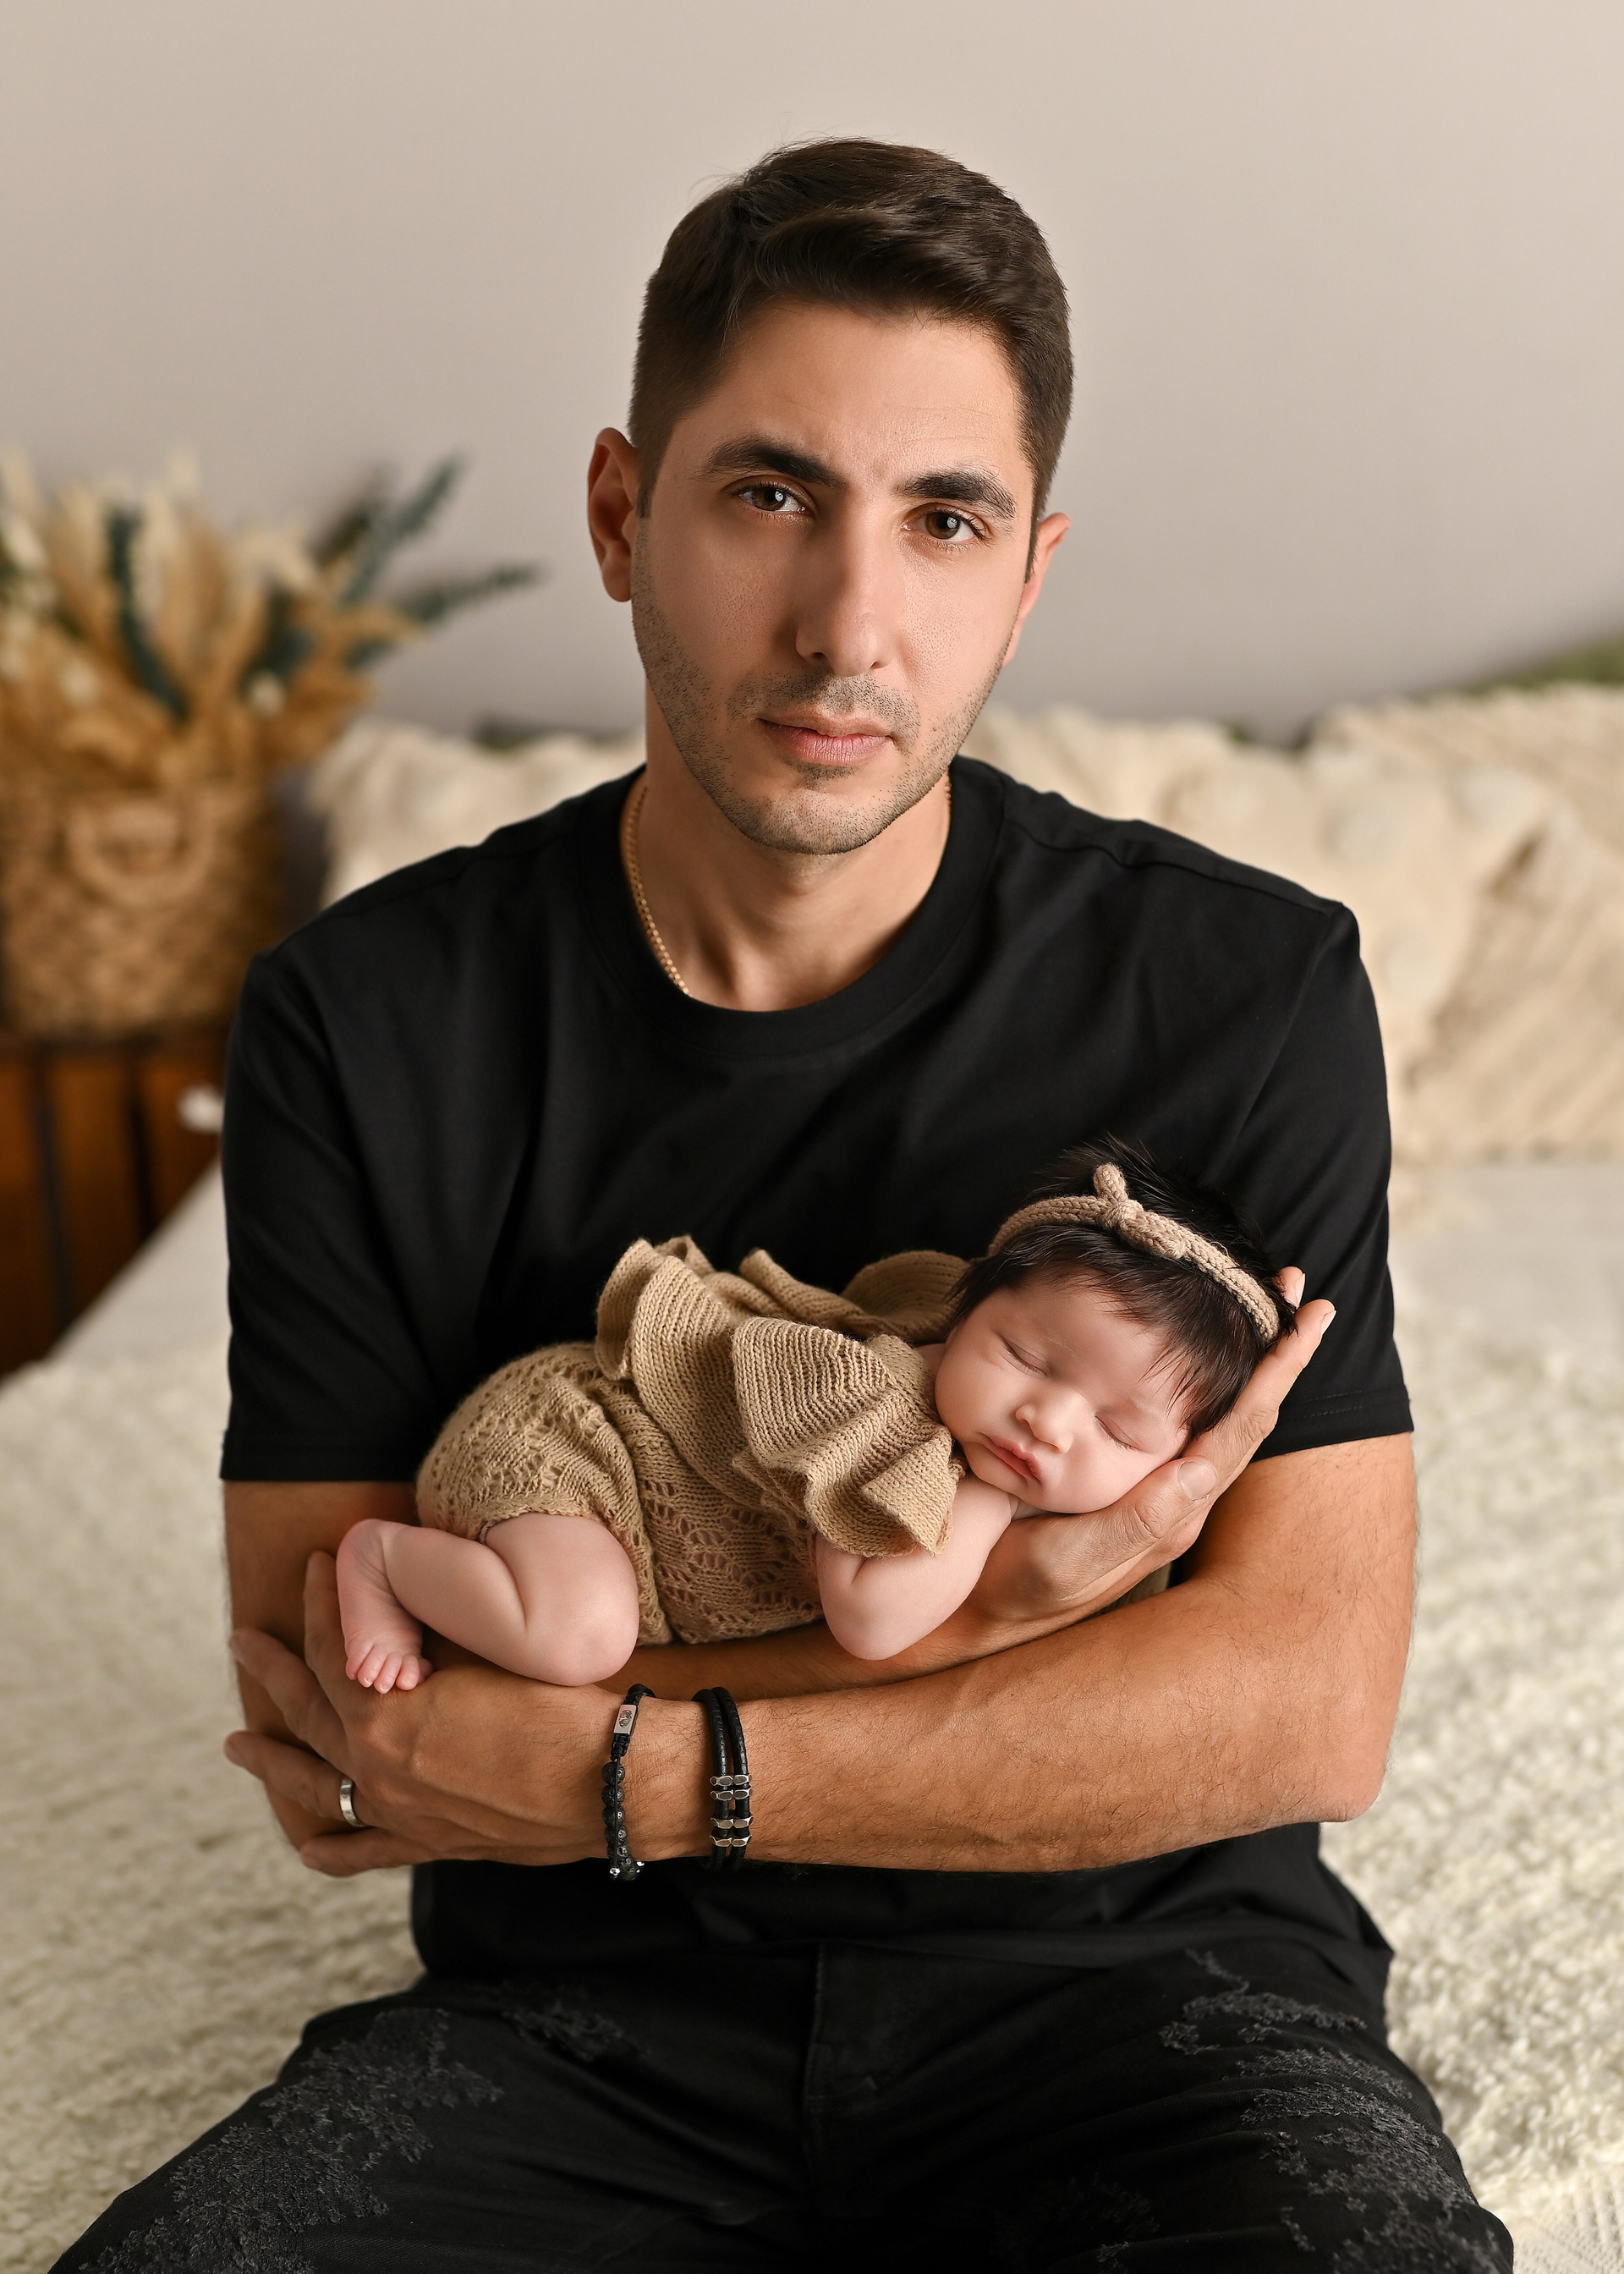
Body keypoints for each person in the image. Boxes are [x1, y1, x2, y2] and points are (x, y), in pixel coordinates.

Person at [57, 140, 1512, 2269]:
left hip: (1148, 1992)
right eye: (768, 495)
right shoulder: (361, 1020)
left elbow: (1306, 1710)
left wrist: (631, 1771)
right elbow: (346, 1746)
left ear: (1029, 573)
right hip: (579, 2020)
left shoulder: (1243, 991)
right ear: (619, 516)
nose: (849, 626)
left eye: (945, 521)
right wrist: (1009, 1625)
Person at [336, 1145, 1303, 1689]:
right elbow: (873, 1621)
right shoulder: (882, 1408)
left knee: (588, 1631)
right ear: (965, 1309)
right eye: (1027, 1357)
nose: (1049, 1421)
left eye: (1119, 1430)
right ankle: (381, 1560)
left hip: (613, 1520)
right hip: (572, 1449)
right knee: (578, 1637)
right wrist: (998, 1502)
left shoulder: (1040, 1461)